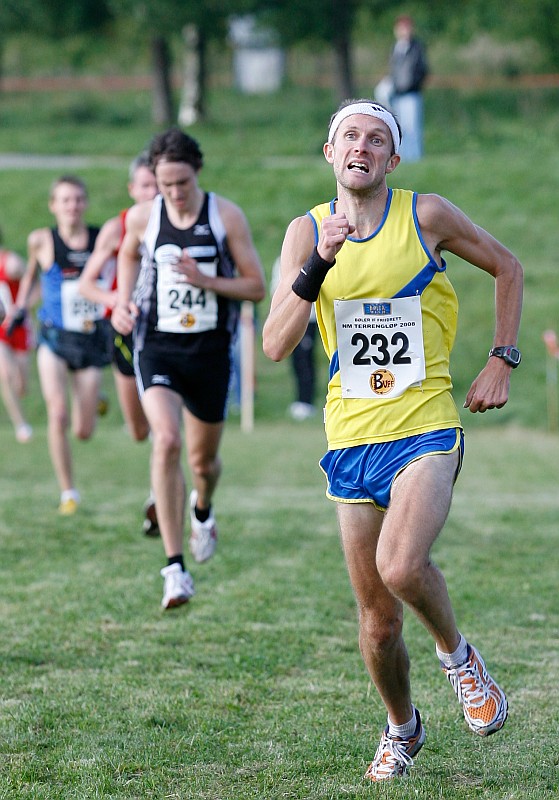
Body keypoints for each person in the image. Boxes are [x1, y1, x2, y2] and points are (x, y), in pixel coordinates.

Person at [262, 99, 523, 781]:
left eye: (377, 139)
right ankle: (402, 727)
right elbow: (275, 343)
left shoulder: (425, 215)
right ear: (330, 152)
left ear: (392, 159)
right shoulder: (305, 232)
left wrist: (501, 358)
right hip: (351, 438)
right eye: (350, 135)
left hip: (425, 425)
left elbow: (507, 266)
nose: (362, 146)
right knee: (378, 624)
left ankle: (460, 661)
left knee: (401, 566)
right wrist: (318, 264)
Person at [112, 127, 266, 609]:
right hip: (157, 346)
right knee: (167, 440)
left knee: (203, 463)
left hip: (209, 352)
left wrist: (206, 280)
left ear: (197, 172)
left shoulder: (225, 216)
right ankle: (174, 569)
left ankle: (203, 509)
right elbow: (126, 254)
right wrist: (121, 302)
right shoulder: (144, 217)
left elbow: (256, 286)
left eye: (182, 182)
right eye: (165, 184)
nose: (175, 193)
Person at [14, 175, 109, 515]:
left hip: (89, 341)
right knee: (57, 414)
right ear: (53, 205)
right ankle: (68, 492)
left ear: (86, 203)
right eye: (65, 200)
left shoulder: (101, 238)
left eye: (78, 199)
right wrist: (20, 309)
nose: (73, 206)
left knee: (83, 431)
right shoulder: (41, 240)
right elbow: (30, 278)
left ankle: (96, 399)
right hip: (53, 338)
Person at [79, 153, 160, 535]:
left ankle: (158, 497)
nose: (152, 192)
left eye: (157, 184)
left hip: (165, 333)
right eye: (145, 185)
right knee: (139, 430)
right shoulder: (118, 227)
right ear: (132, 189)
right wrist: (115, 301)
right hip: (125, 332)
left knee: (164, 425)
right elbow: (86, 283)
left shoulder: (182, 221)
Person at [0, 232, 35, 443]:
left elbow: (36, 286)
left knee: (21, 384)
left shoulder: (11, 264)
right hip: (0, 331)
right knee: (5, 375)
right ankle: (21, 425)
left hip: (19, 328)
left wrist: (23, 307)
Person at [380, 15, 428, 163]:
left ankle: (415, 157)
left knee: (412, 128)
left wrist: (413, 84)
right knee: (401, 128)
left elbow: (422, 70)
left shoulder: (416, 47)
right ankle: (403, 157)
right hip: (397, 94)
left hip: (411, 93)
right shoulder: (395, 48)